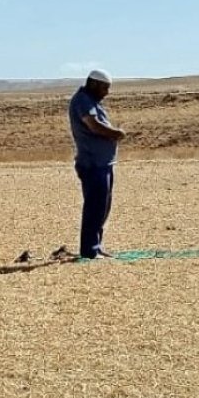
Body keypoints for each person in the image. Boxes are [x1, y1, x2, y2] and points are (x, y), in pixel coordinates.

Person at [68, 69, 126, 259]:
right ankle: (89, 250)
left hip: (103, 162)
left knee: (103, 206)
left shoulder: (91, 101)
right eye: (104, 88)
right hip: (93, 163)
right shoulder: (83, 101)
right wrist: (115, 133)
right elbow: (93, 124)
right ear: (93, 84)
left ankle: (96, 245)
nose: (106, 92)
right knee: (95, 206)